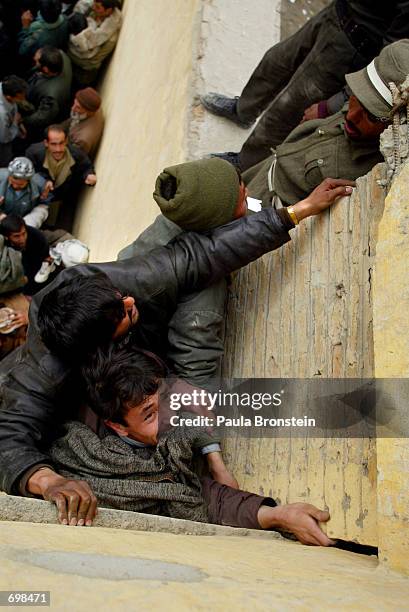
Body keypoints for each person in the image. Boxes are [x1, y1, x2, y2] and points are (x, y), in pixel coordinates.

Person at [0, 175, 354, 526]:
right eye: (123, 313)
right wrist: (49, 481)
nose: (128, 301)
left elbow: (196, 257)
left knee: (191, 245)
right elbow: (8, 437)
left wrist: (296, 212)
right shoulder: (59, 388)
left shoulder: (104, 288)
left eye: (120, 299)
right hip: (112, 394)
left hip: (145, 363)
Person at [49, 344, 334, 546]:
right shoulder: (98, 458)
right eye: (150, 414)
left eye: (166, 399)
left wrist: (279, 512)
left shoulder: (171, 406)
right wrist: (275, 516)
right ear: (118, 426)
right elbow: (192, 494)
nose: (169, 416)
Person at [201, 2, 409, 171]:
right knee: (276, 61)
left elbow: (385, 64)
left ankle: (246, 163)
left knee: (285, 110)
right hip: (336, 14)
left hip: (349, 48)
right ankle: (243, 111)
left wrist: (331, 104)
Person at [214, 40, 409, 208]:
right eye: (356, 96)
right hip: (267, 169)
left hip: (263, 207)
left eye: (371, 115)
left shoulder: (366, 176)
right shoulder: (356, 115)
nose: (351, 115)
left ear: (395, 129)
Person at [118, 158, 247, 388]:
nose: (245, 188)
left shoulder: (180, 214)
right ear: (217, 213)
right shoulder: (203, 274)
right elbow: (196, 359)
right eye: (240, 191)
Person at [26, 123, 96, 230]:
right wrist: (45, 180)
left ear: (66, 141)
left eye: (61, 143)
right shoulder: (34, 153)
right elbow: (30, 172)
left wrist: (89, 175)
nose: (58, 149)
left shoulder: (76, 154)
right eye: (53, 144)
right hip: (39, 194)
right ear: (46, 143)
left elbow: (86, 166)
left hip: (63, 193)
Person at [23, 46, 72, 142]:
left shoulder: (50, 97)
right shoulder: (61, 55)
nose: (34, 59)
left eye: (37, 61)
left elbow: (41, 117)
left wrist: (24, 120)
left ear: (45, 69)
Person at [68, 0, 122, 86]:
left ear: (108, 10)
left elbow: (91, 59)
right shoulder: (92, 9)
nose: (93, 7)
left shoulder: (110, 37)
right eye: (94, 4)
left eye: (97, 7)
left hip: (85, 69)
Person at [0, 214, 51, 295]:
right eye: (16, 236)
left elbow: (37, 266)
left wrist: (25, 279)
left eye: (24, 234)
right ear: (6, 237)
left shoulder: (38, 238)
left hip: (32, 267)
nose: (22, 239)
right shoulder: (2, 241)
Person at [0, 157, 51, 228]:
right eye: (12, 182)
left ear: (28, 180)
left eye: (20, 185)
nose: (15, 186)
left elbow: (45, 204)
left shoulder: (40, 183)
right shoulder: (1, 176)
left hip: (27, 217)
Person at [61, 86, 104, 157]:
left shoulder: (83, 140)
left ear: (90, 112)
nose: (73, 108)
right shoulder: (94, 107)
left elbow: (69, 158)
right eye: (74, 103)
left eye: (78, 107)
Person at [0, 76, 28, 166]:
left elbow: (13, 106)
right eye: (20, 98)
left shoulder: (4, 87)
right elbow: (4, 138)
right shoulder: (2, 113)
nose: (23, 99)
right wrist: (15, 124)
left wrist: (19, 123)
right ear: (8, 97)